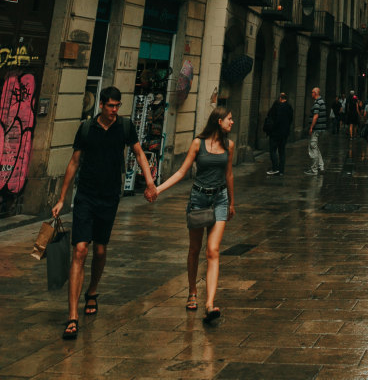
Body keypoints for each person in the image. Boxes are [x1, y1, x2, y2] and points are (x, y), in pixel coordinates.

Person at [52, 85, 157, 341]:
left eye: (117, 106)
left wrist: (150, 181)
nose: (114, 111)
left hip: (109, 197)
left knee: (99, 249)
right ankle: (72, 318)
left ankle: (93, 290)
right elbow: (74, 162)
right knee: (80, 250)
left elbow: (139, 153)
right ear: (101, 105)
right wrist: (62, 198)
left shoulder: (124, 127)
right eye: (110, 106)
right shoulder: (87, 128)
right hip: (86, 196)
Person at [155, 106, 235, 323]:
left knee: (213, 250)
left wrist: (231, 203)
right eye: (229, 118)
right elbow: (182, 172)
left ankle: (210, 304)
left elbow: (229, 174)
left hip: (220, 199)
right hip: (199, 199)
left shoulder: (229, 146)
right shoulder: (198, 143)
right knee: (194, 249)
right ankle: (192, 291)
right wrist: (158, 189)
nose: (232, 122)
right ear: (219, 121)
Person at [264, 92, 293, 175]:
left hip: (275, 133)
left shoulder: (277, 106)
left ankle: (275, 168)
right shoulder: (289, 107)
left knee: (273, 150)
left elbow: (273, 119)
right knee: (282, 152)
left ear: (280, 98)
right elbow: (291, 119)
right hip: (284, 134)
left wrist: (271, 130)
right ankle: (281, 170)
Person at [305, 85, 327, 175]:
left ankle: (314, 170)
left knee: (312, 148)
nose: (311, 94)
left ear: (315, 93)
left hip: (316, 129)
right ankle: (321, 166)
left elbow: (316, 116)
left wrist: (311, 127)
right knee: (316, 148)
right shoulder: (321, 101)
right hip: (320, 129)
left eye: (312, 92)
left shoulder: (317, 103)